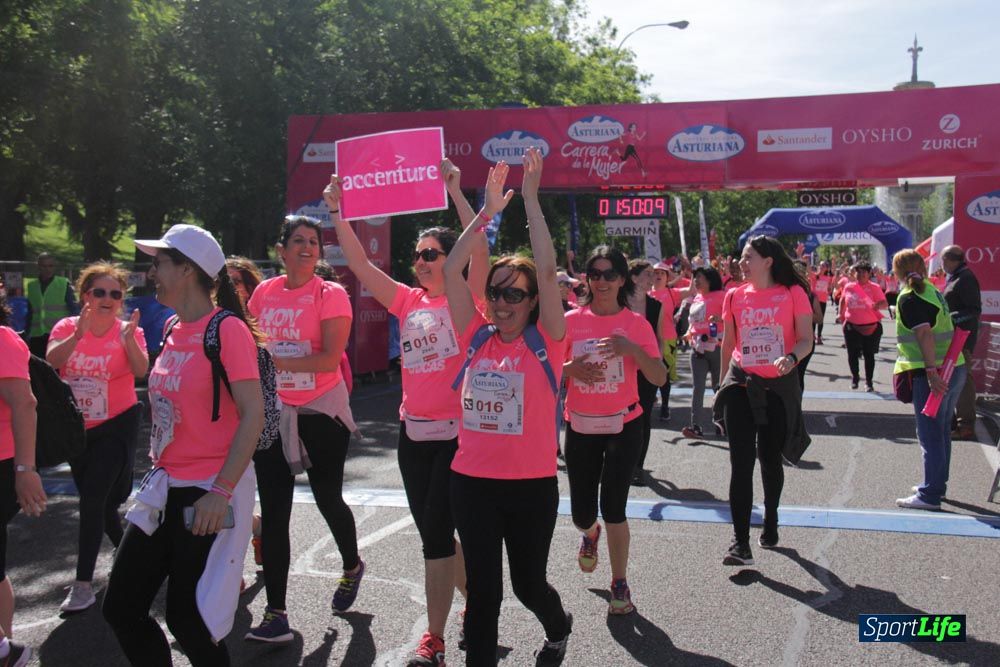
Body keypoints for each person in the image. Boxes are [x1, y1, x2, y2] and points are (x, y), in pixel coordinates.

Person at [321, 158, 481, 667]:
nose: (422, 260)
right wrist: (339, 213)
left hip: (458, 437)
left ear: (450, 257)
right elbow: (361, 267)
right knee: (437, 534)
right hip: (413, 436)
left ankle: (431, 642)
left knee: (435, 533)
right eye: (418, 255)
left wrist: (457, 193)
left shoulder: (468, 297)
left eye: (432, 253)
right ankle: (476, 601)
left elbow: (479, 249)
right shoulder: (408, 300)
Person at [104, 224, 264, 666]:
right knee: (121, 607)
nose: (152, 271)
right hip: (163, 485)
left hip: (208, 490)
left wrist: (222, 491)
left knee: (188, 619)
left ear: (188, 270)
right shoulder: (173, 326)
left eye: (160, 263)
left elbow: (254, 414)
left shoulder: (226, 330)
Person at [444, 148, 573, 666]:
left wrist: (533, 201)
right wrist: (487, 212)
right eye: (496, 292)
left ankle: (558, 624)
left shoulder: (549, 339)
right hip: (470, 482)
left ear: (532, 301)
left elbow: (545, 270)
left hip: (531, 487)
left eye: (514, 294)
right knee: (484, 594)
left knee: (526, 585)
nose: (502, 302)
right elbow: (454, 270)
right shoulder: (475, 335)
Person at [244, 215, 363, 643]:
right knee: (275, 513)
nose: (307, 247)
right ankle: (276, 613)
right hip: (275, 412)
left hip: (321, 411)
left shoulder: (331, 294)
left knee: (328, 498)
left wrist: (276, 365)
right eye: (298, 241)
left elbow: (329, 359)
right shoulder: (264, 292)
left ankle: (351, 565)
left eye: (314, 241)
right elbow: (252, 347)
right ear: (282, 250)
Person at [562, 247, 664, 616]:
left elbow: (659, 376)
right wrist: (569, 369)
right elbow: (545, 371)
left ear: (622, 279)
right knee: (581, 513)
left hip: (624, 423)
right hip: (581, 424)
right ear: (587, 279)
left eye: (609, 274)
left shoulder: (636, 324)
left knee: (614, 507)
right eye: (595, 274)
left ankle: (619, 581)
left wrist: (631, 349)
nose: (601, 281)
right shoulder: (572, 321)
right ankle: (589, 534)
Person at [46, 262, 148, 614]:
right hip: (77, 430)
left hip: (117, 425)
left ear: (121, 300)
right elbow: (51, 361)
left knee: (92, 500)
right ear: (85, 295)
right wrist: (77, 336)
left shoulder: (128, 330)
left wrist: (127, 341)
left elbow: (141, 371)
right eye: (99, 292)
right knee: (104, 508)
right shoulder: (67, 327)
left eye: (115, 294)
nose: (107, 299)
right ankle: (134, 558)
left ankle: (83, 585)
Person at [713, 236, 813, 566]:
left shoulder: (792, 293)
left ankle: (771, 517)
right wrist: (720, 386)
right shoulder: (734, 296)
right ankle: (740, 542)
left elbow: (805, 340)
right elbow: (729, 345)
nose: (741, 263)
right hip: (741, 384)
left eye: (748, 257)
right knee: (740, 464)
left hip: (777, 387)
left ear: (768, 260)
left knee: (769, 460)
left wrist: (791, 358)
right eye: (741, 257)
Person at [891, 250, 967, 511]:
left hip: (931, 371)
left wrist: (932, 373)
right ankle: (936, 482)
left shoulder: (910, 297)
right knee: (942, 429)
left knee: (929, 432)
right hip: (953, 366)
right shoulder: (932, 290)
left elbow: (924, 334)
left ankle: (930, 493)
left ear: (897, 272)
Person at [0, 290, 47, 666]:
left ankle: (6, 651)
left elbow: (25, 404)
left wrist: (25, 470)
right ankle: (6, 649)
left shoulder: (3, 339)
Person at [626, 260, 665, 485]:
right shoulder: (619, 302)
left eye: (654, 275)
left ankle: (638, 467)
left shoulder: (655, 306)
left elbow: (659, 337)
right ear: (633, 277)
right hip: (622, 369)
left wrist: (657, 364)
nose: (653, 279)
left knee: (643, 417)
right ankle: (618, 462)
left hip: (647, 368)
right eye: (648, 274)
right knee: (621, 415)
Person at [940, 245, 981, 441]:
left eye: (943, 260)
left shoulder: (965, 278)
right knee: (955, 379)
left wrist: (951, 319)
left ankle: (966, 425)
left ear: (950, 260)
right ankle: (955, 422)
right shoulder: (957, 277)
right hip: (953, 337)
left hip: (962, 338)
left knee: (963, 380)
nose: (942, 264)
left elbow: (973, 309)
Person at [680, 267, 725, 439]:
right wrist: (688, 334)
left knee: (718, 387)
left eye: (700, 277)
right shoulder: (696, 298)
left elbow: (732, 318)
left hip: (717, 347)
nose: (696, 281)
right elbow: (694, 323)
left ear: (710, 279)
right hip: (697, 348)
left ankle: (720, 423)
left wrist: (720, 320)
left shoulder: (722, 295)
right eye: (695, 278)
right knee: (697, 388)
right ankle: (695, 427)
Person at [838, 261, 888, 392]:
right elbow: (843, 300)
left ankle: (869, 382)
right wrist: (840, 314)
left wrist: (878, 305)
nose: (861, 274)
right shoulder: (849, 287)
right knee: (852, 354)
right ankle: (855, 377)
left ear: (869, 273)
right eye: (858, 272)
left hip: (870, 327)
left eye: (864, 272)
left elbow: (884, 304)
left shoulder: (874, 287)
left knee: (868, 355)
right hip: (851, 326)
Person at [25, 252, 78, 358]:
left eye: (50, 266)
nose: (47, 269)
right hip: (37, 335)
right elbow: (30, 313)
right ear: (38, 266)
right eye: (44, 266)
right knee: (37, 370)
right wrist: (27, 334)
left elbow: (74, 310)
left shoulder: (63, 284)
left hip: (57, 334)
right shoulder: (31, 286)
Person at [813, 260, 833, 344]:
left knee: (821, 319)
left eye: (823, 266)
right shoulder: (815, 276)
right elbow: (807, 271)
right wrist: (806, 261)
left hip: (823, 301)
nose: (821, 267)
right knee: (813, 319)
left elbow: (830, 287)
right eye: (820, 265)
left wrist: (830, 289)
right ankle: (812, 335)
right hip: (814, 301)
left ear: (826, 268)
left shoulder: (828, 278)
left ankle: (819, 336)